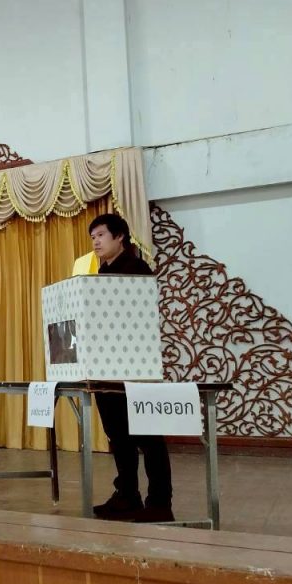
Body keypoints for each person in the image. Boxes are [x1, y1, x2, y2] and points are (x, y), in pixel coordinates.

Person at [88, 213, 174, 523]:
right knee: (119, 438)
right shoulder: (100, 275)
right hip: (105, 368)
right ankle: (127, 495)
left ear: (120, 236)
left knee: (148, 438)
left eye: (101, 235)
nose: (96, 242)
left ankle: (160, 502)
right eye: (93, 237)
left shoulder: (137, 270)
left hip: (135, 369)